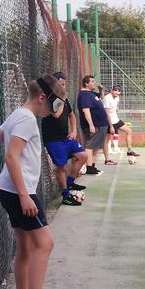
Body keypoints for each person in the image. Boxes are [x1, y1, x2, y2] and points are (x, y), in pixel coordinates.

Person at [0, 75, 66, 289]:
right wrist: (24, 195)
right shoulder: (27, 119)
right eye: (56, 101)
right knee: (45, 243)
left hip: (7, 189)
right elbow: (11, 157)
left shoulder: (17, 114)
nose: (57, 107)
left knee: (26, 247)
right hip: (19, 192)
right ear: (43, 97)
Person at [42, 71, 86, 204]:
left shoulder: (63, 98)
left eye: (64, 84)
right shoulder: (48, 98)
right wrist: (61, 97)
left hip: (65, 138)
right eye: (61, 84)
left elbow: (72, 115)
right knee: (61, 167)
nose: (64, 87)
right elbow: (56, 114)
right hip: (53, 140)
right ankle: (66, 195)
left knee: (83, 155)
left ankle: (71, 182)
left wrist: (73, 131)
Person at [76, 75, 116, 170]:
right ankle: (89, 167)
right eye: (92, 81)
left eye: (94, 81)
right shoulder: (85, 95)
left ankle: (93, 166)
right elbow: (86, 110)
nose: (94, 83)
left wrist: (101, 89)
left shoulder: (92, 93)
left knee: (96, 146)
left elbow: (102, 98)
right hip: (95, 125)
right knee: (90, 145)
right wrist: (91, 125)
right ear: (86, 83)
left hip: (101, 125)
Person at [103, 85, 140, 160]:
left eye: (119, 91)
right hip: (109, 122)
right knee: (107, 140)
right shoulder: (107, 98)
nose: (117, 92)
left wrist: (117, 109)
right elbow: (107, 113)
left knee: (129, 131)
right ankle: (107, 159)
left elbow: (115, 107)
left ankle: (129, 151)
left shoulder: (117, 98)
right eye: (115, 90)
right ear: (111, 91)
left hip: (116, 120)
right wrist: (111, 126)